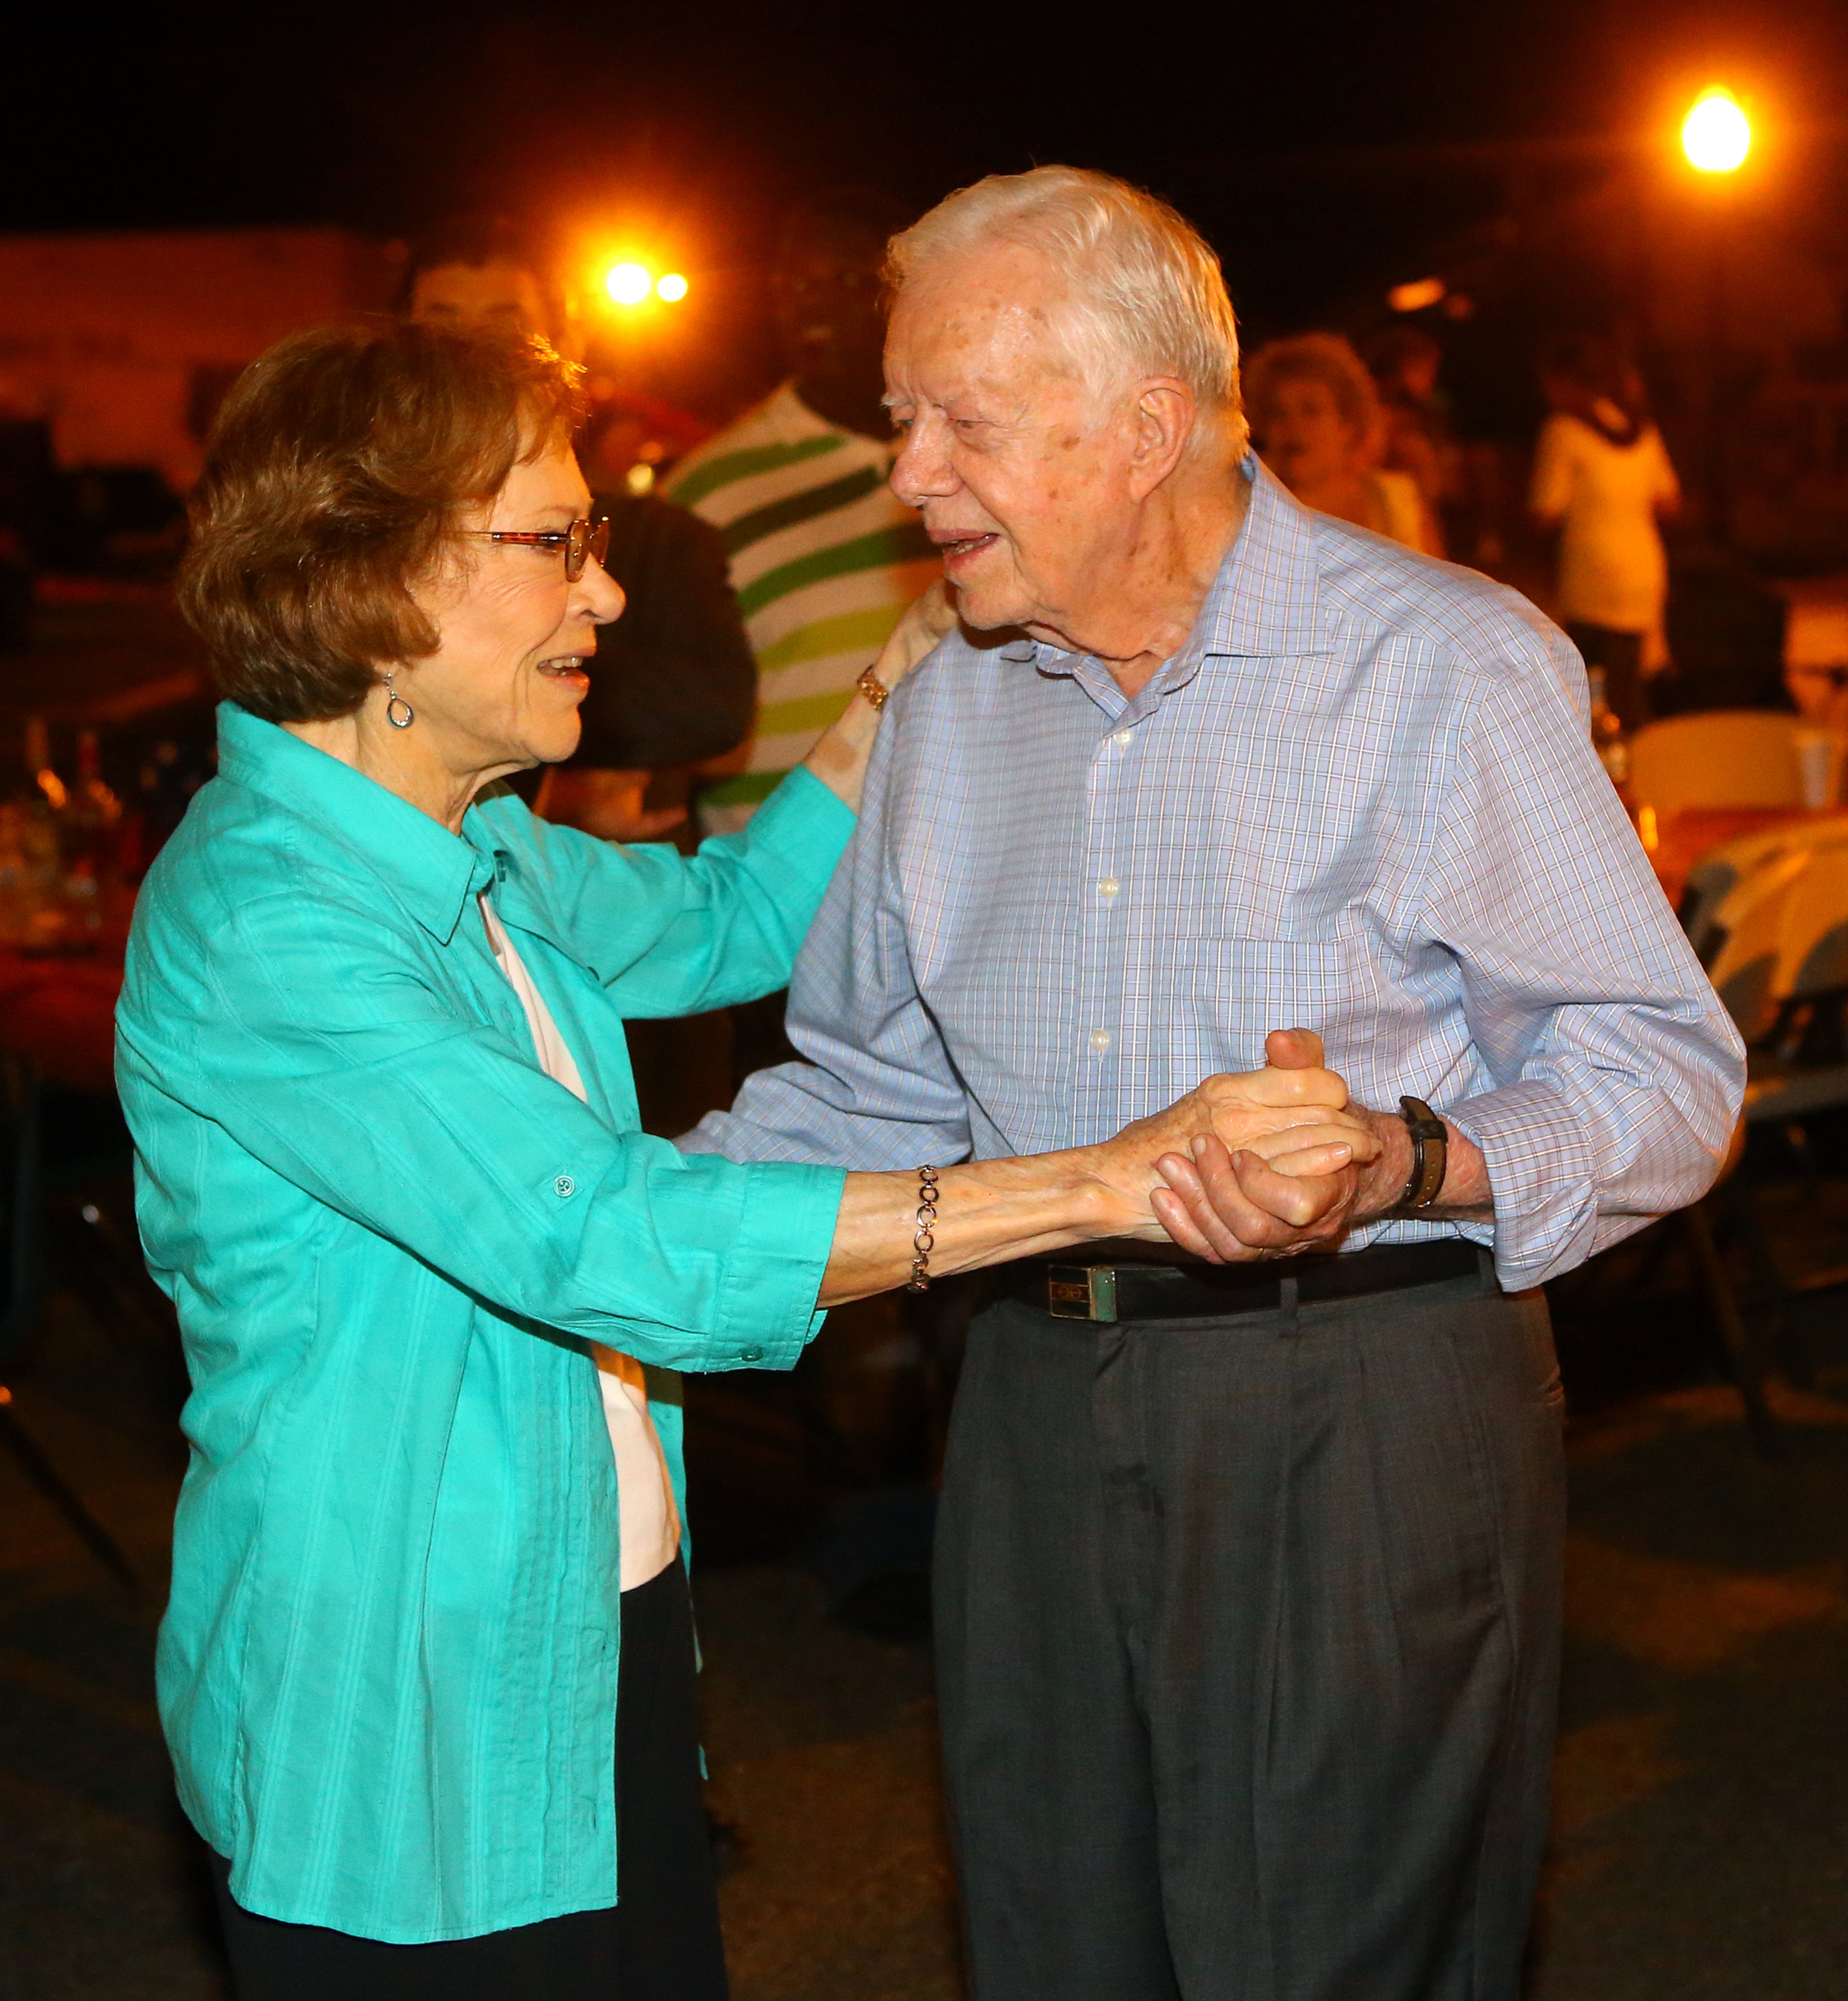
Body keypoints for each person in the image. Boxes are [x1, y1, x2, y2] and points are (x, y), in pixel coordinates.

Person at [115, 317, 1374, 1999]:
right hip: (401, 1690)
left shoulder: (469, 837)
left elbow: (736, 919)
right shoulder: (274, 918)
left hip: (585, 1614)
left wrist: (904, 665)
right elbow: (613, 1238)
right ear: (374, 578)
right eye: (555, 541)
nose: (610, 594)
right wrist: (1105, 1183)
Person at [688, 167, 1745, 2001]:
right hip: (1018, 1389)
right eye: (899, 419)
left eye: (963, 422)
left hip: (1352, 1398)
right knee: (1050, 1936)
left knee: (1337, 1957)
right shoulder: (947, 704)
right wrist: (580, 1226)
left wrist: (1406, 1153)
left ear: (1147, 428)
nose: (907, 473)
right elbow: (864, 1091)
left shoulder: (1437, 665)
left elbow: (1663, 1067)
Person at [405, 214, 756, 839]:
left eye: (505, 324)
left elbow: (714, 704)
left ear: (568, 337)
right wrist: (545, 792)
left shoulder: (660, 537)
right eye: (442, 323)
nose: (471, 352)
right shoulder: (371, 529)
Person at [665, 189, 938, 838]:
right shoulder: (706, 491)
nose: (811, 300)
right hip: (782, 891)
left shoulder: (974, 460)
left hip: (960, 871)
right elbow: (674, 724)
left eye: (844, 278)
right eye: (793, 283)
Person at [1529, 335, 1681, 732]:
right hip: (1643, 567)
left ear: (1565, 381)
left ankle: (1614, 780)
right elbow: (1669, 500)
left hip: (1592, 576)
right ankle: (1643, 763)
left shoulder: (1562, 430)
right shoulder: (1639, 429)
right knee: (1630, 682)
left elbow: (1545, 509)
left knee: (1594, 692)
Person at [1244, 330, 1444, 555]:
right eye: (1278, 414)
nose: (1293, 426)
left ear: (1347, 426)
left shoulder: (1399, 503)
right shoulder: (1253, 512)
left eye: (1310, 411)